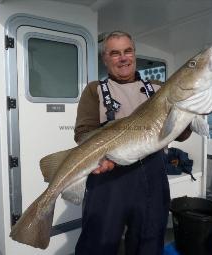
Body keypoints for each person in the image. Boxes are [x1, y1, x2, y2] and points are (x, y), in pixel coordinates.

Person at [74, 31, 191, 255]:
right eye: (115, 53)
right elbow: (82, 134)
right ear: (105, 59)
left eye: (127, 51)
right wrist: (101, 157)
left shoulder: (158, 89)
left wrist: (192, 113)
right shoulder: (94, 90)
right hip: (108, 180)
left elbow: (182, 135)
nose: (123, 58)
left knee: (148, 243)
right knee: (98, 244)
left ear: (134, 54)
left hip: (152, 179)